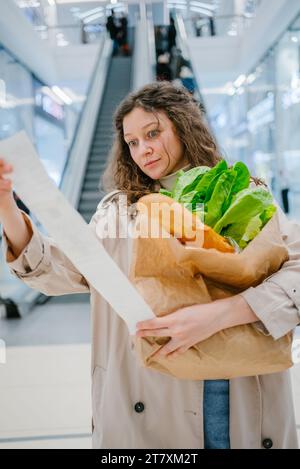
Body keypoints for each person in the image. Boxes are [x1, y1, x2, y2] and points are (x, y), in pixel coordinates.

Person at [0, 82, 299, 449]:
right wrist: (6, 205)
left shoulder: (244, 192)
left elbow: (295, 269)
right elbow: (59, 267)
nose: (144, 150)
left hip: (232, 386)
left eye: (153, 133)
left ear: (183, 126)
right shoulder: (120, 211)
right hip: (150, 386)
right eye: (133, 142)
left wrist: (223, 314)